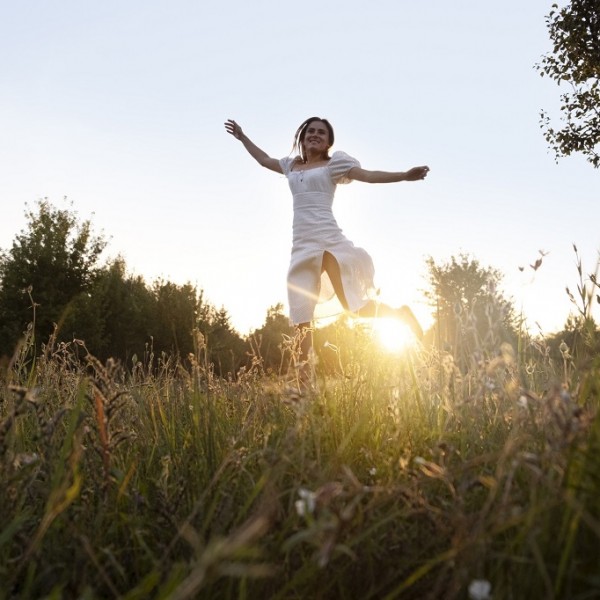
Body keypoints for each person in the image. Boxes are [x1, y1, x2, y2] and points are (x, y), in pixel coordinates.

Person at [225, 117, 429, 388]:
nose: (315, 135)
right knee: (301, 321)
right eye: (311, 131)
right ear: (303, 136)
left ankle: (399, 314)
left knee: (352, 307)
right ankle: (304, 389)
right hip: (301, 246)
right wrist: (242, 137)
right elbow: (264, 160)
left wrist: (403, 175)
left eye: (322, 133)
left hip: (328, 241)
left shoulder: (335, 165)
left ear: (328, 142)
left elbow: (368, 176)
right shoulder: (291, 166)